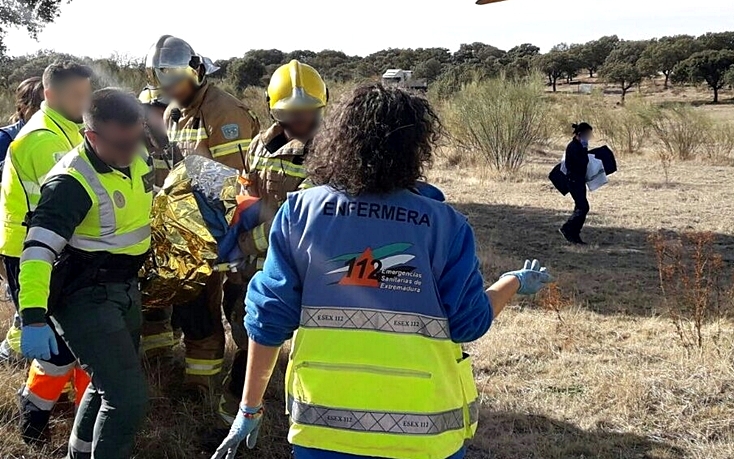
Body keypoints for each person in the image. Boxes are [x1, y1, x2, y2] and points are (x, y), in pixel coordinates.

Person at [212, 85, 554, 459]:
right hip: (426, 432)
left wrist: (249, 408)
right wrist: (512, 281)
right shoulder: (446, 225)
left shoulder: (300, 214)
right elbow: (469, 323)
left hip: (324, 430)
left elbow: (268, 320)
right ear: (416, 147)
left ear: (339, 139)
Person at [18, 88, 153, 458]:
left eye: (135, 138)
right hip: (85, 295)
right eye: (120, 144)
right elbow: (37, 250)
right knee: (127, 400)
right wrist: (31, 316)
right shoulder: (70, 184)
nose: (131, 151)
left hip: (124, 288)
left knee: (104, 385)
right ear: (91, 136)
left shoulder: (138, 155)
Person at [146, 34, 260, 393]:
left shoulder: (223, 111)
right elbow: (179, 169)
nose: (171, 92)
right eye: (163, 85)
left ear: (197, 72)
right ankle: (200, 381)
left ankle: (220, 387)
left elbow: (234, 183)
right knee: (196, 309)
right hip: (191, 227)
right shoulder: (175, 113)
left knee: (234, 309)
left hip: (226, 231)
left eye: (177, 83)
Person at [219, 59, 327, 422]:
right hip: (254, 264)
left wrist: (249, 242)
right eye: (289, 113)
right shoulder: (259, 146)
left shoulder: (329, 152)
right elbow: (247, 192)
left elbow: (306, 220)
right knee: (246, 327)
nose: (300, 121)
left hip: (303, 263)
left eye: (308, 113)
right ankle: (238, 409)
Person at [0, 62, 93, 444]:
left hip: (51, 248)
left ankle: (64, 416)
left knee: (70, 345)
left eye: (88, 94)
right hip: (33, 252)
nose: (84, 102)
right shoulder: (43, 140)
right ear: (50, 94)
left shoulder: (67, 128)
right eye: (77, 96)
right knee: (56, 351)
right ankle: (33, 422)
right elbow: (59, 210)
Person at [0, 77, 46, 361]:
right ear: (25, 106)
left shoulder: (56, 133)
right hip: (13, 229)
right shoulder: (8, 138)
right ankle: (12, 354)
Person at [136, 85, 176, 358]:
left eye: (162, 112)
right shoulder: (133, 148)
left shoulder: (180, 145)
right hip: (144, 241)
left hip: (179, 240)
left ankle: (167, 358)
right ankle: (156, 362)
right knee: (151, 306)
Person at [559, 122, 593, 245]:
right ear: (580, 134)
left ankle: (574, 234)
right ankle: (567, 229)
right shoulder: (574, 147)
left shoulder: (578, 146)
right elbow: (581, 163)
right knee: (583, 207)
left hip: (579, 180)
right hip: (574, 181)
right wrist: (584, 150)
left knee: (580, 207)